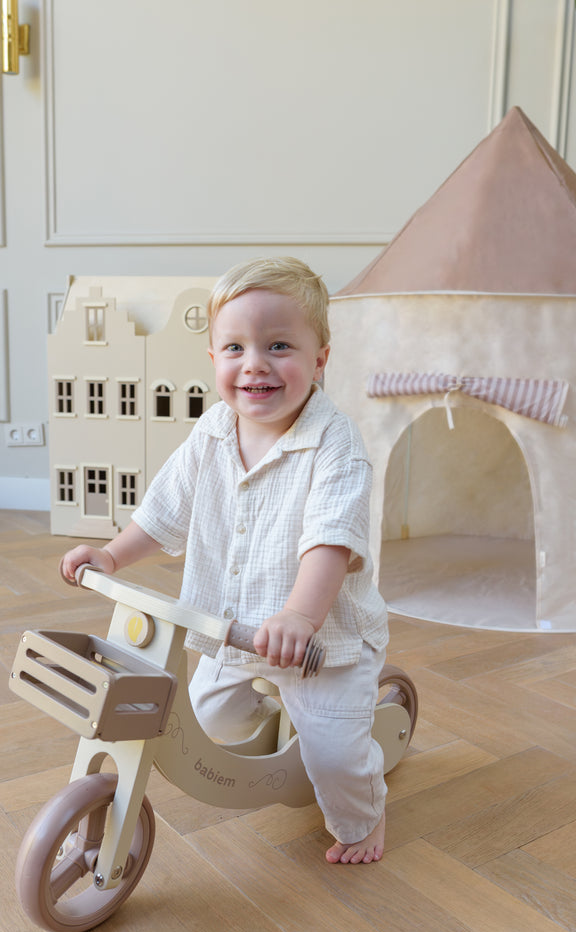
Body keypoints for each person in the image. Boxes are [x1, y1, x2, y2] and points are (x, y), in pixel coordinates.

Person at [61, 256, 389, 864]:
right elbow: (162, 512)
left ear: (320, 358)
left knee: (336, 754)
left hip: (320, 643)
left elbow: (330, 542)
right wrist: (111, 554)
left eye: (280, 345)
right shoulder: (212, 431)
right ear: (213, 359)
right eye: (234, 347)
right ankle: (281, 714)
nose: (255, 363)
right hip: (232, 627)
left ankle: (365, 817)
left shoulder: (336, 444)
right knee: (208, 714)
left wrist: (299, 615)